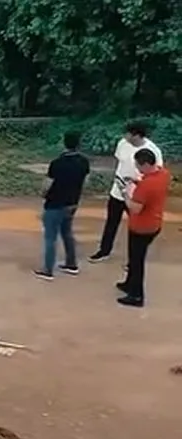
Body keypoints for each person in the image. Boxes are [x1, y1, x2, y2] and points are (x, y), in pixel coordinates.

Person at [89, 120, 164, 263]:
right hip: (118, 191)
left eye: (128, 133)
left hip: (137, 196)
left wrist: (135, 183)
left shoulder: (153, 150)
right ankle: (104, 251)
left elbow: (155, 173)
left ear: (136, 135)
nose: (125, 136)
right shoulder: (122, 144)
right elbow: (120, 161)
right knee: (111, 222)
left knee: (135, 228)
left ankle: (133, 260)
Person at [116, 148, 170, 307]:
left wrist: (125, 193)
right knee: (134, 258)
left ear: (146, 164)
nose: (137, 168)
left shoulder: (146, 186)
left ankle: (136, 295)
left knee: (136, 260)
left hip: (141, 227)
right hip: (154, 223)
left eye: (138, 165)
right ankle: (129, 283)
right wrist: (136, 181)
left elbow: (135, 208)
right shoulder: (163, 174)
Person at [34, 131, 90, 280]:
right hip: (72, 203)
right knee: (67, 232)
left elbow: (47, 184)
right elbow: (86, 182)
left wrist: (42, 194)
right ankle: (71, 264)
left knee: (50, 237)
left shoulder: (57, 163)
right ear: (79, 144)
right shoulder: (84, 162)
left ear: (63, 143)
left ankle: (48, 270)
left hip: (55, 203)